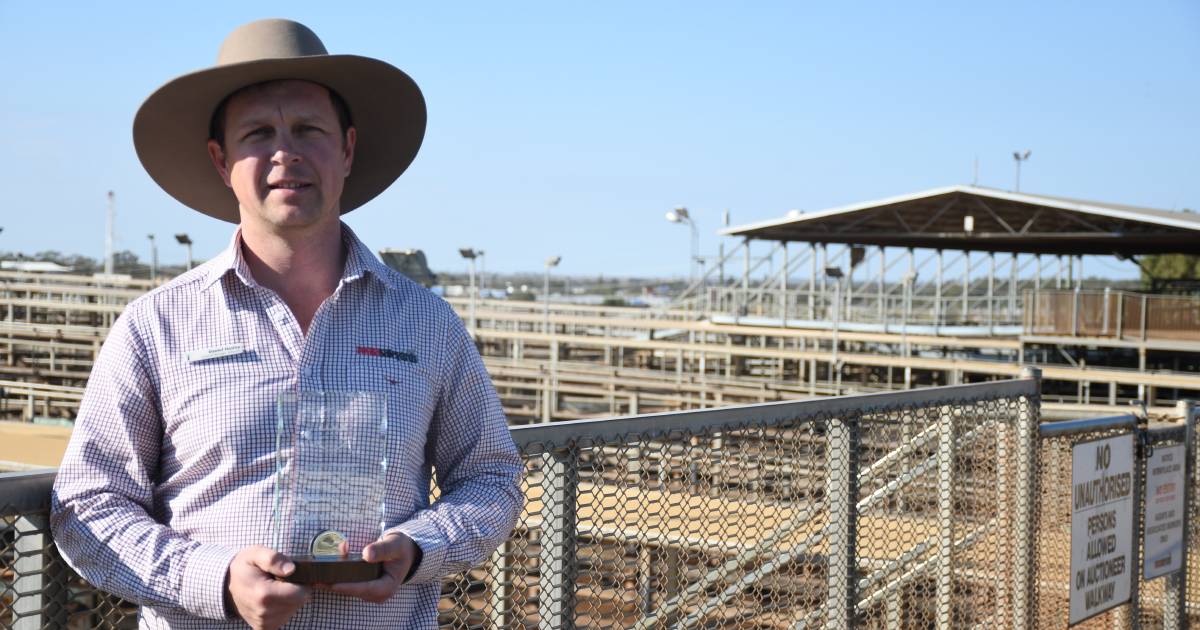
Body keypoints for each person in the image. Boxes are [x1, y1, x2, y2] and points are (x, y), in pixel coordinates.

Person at [50, 18, 523, 630]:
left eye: (308, 130)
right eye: (257, 134)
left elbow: (491, 477)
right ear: (222, 161)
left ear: (347, 149)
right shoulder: (157, 326)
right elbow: (88, 504)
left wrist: (418, 549)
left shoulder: (425, 323)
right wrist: (216, 581)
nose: (285, 153)